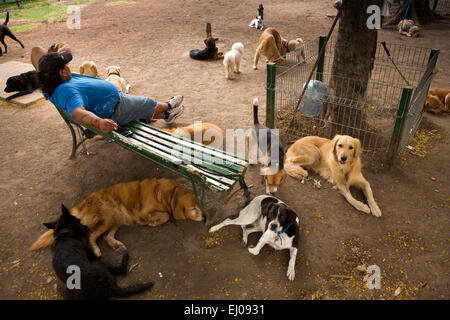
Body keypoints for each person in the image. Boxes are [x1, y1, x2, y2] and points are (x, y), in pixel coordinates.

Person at [31, 44, 184, 133]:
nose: (69, 67)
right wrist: (98, 123)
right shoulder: (67, 92)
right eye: (66, 66)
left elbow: (36, 50)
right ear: (62, 72)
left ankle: (167, 114)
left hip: (113, 103)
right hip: (116, 107)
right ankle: (168, 107)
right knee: (147, 103)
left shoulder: (48, 78)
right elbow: (79, 113)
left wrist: (57, 53)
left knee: (143, 106)